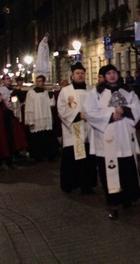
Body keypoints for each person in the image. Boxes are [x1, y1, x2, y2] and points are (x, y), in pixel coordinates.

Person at [84, 64, 140, 220]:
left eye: (114, 73)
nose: (111, 76)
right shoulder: (95, 93)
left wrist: (125, 110)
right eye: (108, 73)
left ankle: (127, 198)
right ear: (104, 77)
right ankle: (113, 203)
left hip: (124, 136)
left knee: (126, 169)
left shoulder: (127, 90)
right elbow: (89, 112)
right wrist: (110, 115)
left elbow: (139, 108)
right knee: (109, 172)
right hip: (106, 138)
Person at [56, 62, 97, 194]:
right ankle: (69, 184)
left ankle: (87, 186)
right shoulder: (66, 91)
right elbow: (61, 109)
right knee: (72, 159)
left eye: (82, 73)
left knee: (88, 160)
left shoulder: (92, 90)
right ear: (72, 76)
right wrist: (79, 115)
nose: (80, 75)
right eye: (77, 73)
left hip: (89, 129)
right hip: (73, 130)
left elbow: (98, 107)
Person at [24, 75, 59, 162]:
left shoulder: (46, 92)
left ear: (43, 82)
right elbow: (28, 106)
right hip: (36, 118)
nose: (39, 83)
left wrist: (51, 95)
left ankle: (49, 155)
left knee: (47, 138)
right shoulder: (31, 93)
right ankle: (37, 156)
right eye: (37, 81)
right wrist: (30, 119)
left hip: (46, 117)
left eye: (41, 81)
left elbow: (52, 104)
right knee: (37, 139)